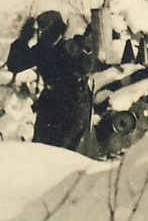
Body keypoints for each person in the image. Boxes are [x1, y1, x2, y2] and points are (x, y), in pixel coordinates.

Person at [6, 10, 97, 150]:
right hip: (51, 103)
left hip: (74, 105)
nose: (41, 35)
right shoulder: (42, 49)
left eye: (45, 31)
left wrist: (71, 44)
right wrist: (23, 39)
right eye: (40, 31)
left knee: (62, 153)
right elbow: (15, 65)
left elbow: (86, 66)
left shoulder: (72, 46)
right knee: (40, 150)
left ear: (57, 31)